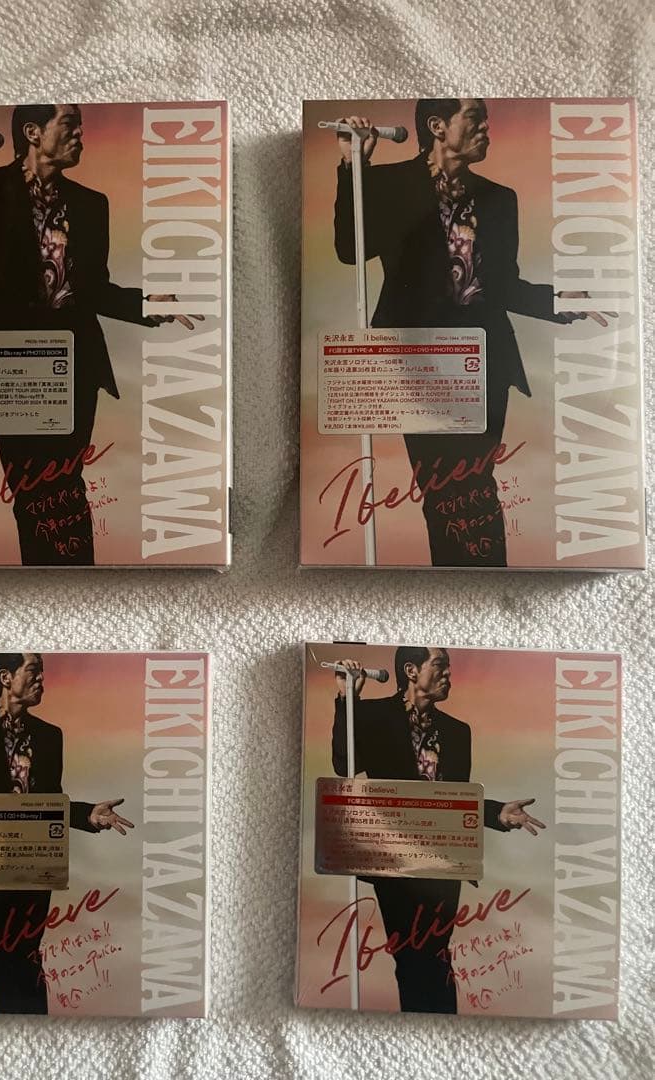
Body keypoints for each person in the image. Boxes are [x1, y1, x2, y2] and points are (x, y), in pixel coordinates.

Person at [333, 98, 611, 566]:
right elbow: (349, 250)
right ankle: (464, 577)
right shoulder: (388, 183)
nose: (486, 129)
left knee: (473, 482)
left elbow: (501, 285)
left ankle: (481, 574)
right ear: (437, 125)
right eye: (475, 118)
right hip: (416, 363)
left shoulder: (499, 199)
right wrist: (353, 167)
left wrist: (557, 301)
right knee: (442, 487)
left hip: (483, 362)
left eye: (487, 120)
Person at [0, 104, 202, 565]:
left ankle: (69, 577)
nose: (80, 135)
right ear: (33, 132)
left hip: (73, 365)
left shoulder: (91, 204)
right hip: (8, 366)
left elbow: (92, 290)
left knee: (63, 482)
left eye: (81, 127)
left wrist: (145, 304)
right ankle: (58, 578)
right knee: (33, 487)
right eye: (69, 125)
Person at [331, 648, 545, 1013]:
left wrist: (496, 813)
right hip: (394, 860)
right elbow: (344, 766)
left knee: (436, 954)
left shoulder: (458, 732)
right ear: (411, 670)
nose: (448, 675)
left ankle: (439, 1023)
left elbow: (452, 802)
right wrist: (347, 700)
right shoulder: (372, 715)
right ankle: (425, 1024)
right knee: (410, 955)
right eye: (440, 666)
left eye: (449, 668)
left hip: (444, 862)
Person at [0, 653, 133, 1014]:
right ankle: (13, 1027)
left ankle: (32, 1026)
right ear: (5, 677)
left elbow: (49, 801)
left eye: (42, 674)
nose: (41, 681)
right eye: (34, 672)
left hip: (35, 858)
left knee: (28, 955)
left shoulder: (50, 736)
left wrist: (87, 815)